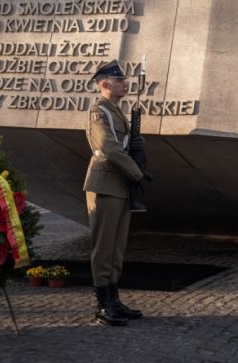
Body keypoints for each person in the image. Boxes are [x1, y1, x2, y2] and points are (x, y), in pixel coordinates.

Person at [83, 60, 146, 327]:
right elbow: (108, 148)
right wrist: (136, 172)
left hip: (119, 185)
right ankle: (102, 305)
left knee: (116, 248)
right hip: (105, 183)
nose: (125, 84)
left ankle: (114, 300)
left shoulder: (118, 112)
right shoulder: (100, 111)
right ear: (105, 84)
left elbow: (123, 145)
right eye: (119, 80)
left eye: (124, 80)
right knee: (104, 247)